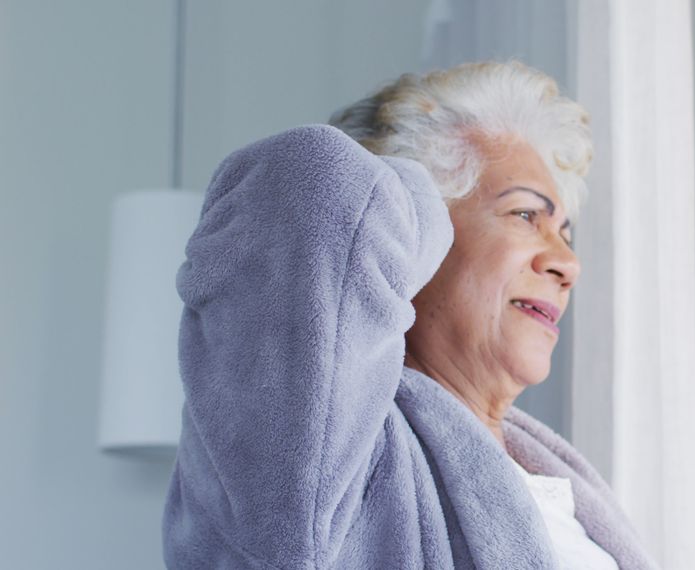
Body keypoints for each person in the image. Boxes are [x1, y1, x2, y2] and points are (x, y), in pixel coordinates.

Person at [162, 61, 656, 569]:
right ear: (414, 234)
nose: (567, 264)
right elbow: (313, 180)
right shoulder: (318, 463)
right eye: (525, 215)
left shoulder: (554, 483)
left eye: (565, 234)